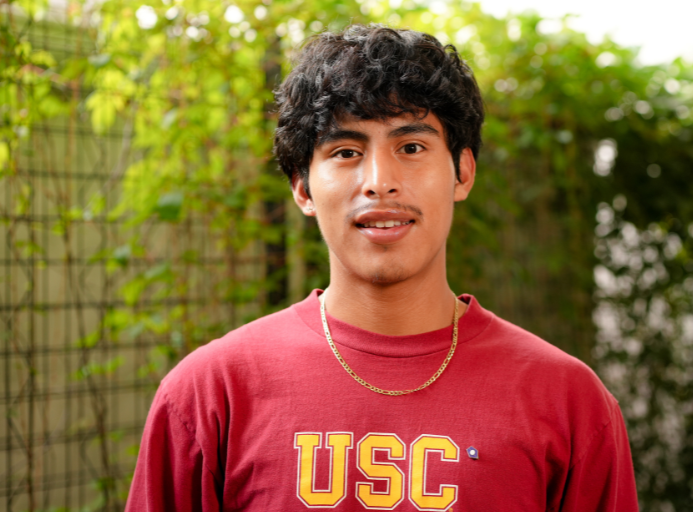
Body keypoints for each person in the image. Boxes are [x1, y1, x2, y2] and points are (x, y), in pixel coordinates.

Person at [126, 24, 638, 511]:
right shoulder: (209, 395)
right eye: (346, 151)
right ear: (303, 188)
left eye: (411, 147)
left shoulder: (570, 403)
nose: (379, 181)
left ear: (461, 173)